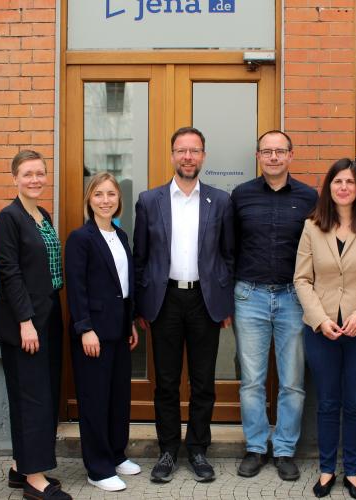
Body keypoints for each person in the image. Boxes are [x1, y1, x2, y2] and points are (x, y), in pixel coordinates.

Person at [133, 126, 235, 484]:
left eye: (194, 151)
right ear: (172, 155)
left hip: (204, 301)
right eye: (181, 150)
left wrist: (225, 303)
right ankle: (167, 450)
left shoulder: (220, 201)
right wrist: (141, 306)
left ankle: (198, 449)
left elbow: (228, 256)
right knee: (166, 382)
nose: (188, 157)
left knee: (203, 381)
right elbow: (141, 257)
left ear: (203, 156)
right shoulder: (149, 201)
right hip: (165, 301)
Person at [294, 158, 356, 499]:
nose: (344, 187)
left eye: (350, 182)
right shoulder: (312, 226)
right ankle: (326, 470)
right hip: (321, 330)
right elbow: (302, 279)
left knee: (355, 401)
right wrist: (320, 319)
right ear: (329, 187)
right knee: (327, 402)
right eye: (338, 181)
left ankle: (351, 471)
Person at [231, 130, 317, 481]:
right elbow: (229, 246)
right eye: (267, 151)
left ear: (291, 155)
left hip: (293, 297)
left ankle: (284, 449)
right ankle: (255, 446)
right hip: (249, 295)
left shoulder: (309, 197)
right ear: (258, 156)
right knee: (251, 380)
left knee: (292, 381)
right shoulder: (241, 195)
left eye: (280, 151)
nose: (273, 157)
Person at [0, 151, 71, 500]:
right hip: (24, 322)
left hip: (48, 315)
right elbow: (8, 272)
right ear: (15, 178)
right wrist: (25, 321)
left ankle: (19, 467)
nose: (35, 179)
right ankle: (34, 480)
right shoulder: (8, 218)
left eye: (40, 173)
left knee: (45, 393)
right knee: (32, 399)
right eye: (27, 174)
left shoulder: (42, 215)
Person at [65, 172, 142, 492]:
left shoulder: (121, 236)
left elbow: (124, 284)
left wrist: (130, 322)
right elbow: (76, 288)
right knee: (95, 400)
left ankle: (115, 454)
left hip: (119, 328)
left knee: (117, 397)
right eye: (98, 194)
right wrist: (85, 328)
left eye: (111, 194)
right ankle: (97, 468)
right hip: (93, 332)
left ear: (118, 199)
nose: (105, 200)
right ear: (89, 200)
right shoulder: (81, 238)